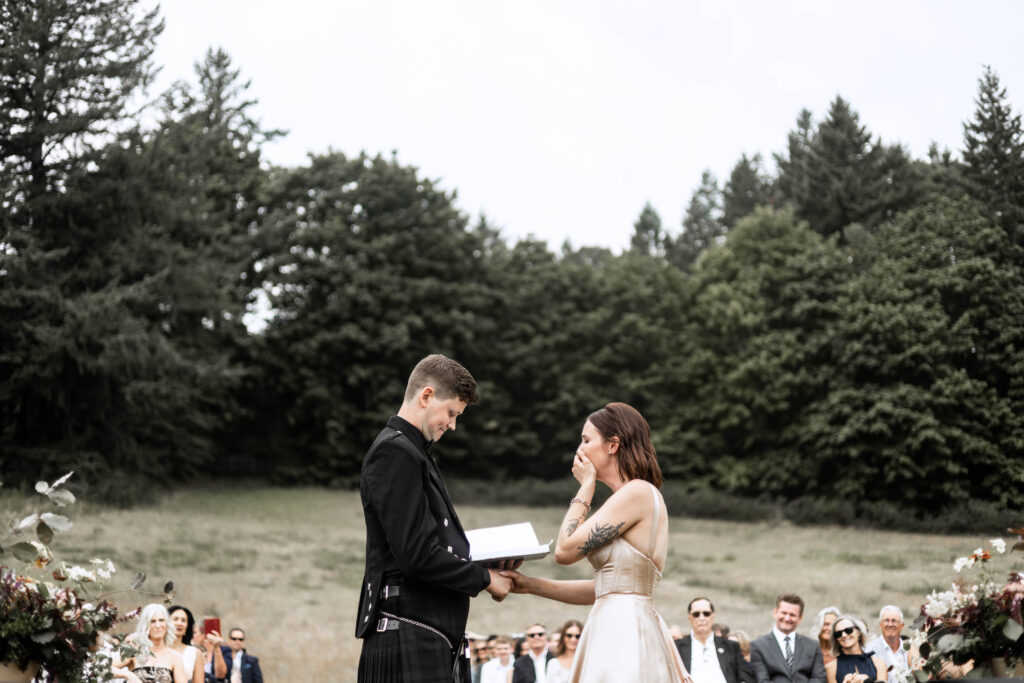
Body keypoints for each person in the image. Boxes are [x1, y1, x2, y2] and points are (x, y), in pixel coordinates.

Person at [502, 402, 690, 682]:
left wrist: (585, 488)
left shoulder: (637, 492)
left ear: (613, 445)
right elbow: (604, 589)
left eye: (586, 440)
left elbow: (564, 551)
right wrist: (529, 585)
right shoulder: (630, 497)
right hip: (615, 621)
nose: (580, 450)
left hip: (624, 630)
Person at [355, 354, 514, 682]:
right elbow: (416, 555)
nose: (453, 424)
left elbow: (430, 541)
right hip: (407, 634)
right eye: (452, 413)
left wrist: (485, 562)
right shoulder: (394, 453)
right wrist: (484, 580)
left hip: (424, 635)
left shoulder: (413, 454)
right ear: (426, 396)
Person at [750, 594, 826, 683]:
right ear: (775, 612)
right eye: (784, 613)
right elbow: (762, 680)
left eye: (792, 615)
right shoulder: (758, 646)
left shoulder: (813, 646)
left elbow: (818, 679)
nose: (787, 618)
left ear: (800, 618)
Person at [676, 598, 752, 683]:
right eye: (696, 614)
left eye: (706, 614)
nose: (702, 618)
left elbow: (745, 677)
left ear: (712, 616)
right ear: (689, 617)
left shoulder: (731, 647)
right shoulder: (677, 648)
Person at [112, 603, 188, 683]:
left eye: (161, 620)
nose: (158, 625)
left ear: (167, 624)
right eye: (153, 621)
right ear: (146, 625)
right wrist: (128, 675)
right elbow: (106, 669)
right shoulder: (134, 651)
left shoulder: (175, 657)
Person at [825, 616, 886, 683]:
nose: (844, 635)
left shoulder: (879, 663)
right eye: (838, 634)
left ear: (858, 632)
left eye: (848, 630)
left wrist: (868, 681)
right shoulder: (831, 668)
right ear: (836, 639)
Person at [863, 606, 907, 682]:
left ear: (902, 625)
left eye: (894, 621)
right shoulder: (868, 650)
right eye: (886, 620)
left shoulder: (910, 650)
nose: (890, 624)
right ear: (880, 624)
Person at [167, 606, 204, 683]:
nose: (179, 623)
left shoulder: (195, 653)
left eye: (183, 621)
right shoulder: (156, 649)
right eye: (175, 619)